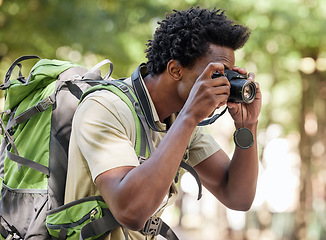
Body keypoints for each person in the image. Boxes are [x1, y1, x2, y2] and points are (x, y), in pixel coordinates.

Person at [65, 6, 262, 240]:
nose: (225, 86)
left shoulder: (180, 120)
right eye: (217, 74)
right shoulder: (105, 107)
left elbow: (238, 197)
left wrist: (248, 125)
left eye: (230, 76)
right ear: (175, 69)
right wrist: (189, 117)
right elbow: (130, 212)